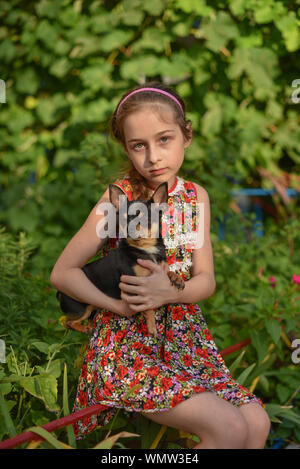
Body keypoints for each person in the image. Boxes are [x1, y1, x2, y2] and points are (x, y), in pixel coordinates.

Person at [50, 81, 271, 449]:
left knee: (256, 423)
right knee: (229, 428)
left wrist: (171, 292)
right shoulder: (118, 201)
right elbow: (62, 272)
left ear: (187, 136)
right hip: (128, 351)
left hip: (186, 345)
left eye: (164, 139)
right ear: (127, 147)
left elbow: (206, 282)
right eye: (139, 145)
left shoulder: (194, 197)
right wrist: (117, 305)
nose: (153, 157)